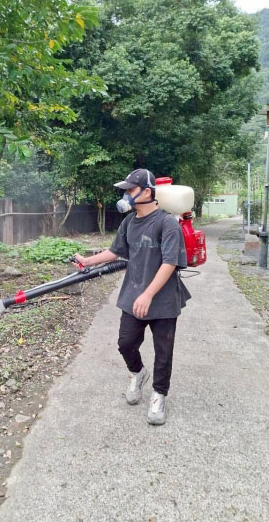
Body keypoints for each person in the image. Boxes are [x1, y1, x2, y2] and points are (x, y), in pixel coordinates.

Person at [74, 168, 191, 425]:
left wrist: (148, 295)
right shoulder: (128, 222)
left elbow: (170, 263)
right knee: (125, 343)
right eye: (125, 190)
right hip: (133, 294)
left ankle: (159, 395)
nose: (126, 195)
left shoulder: (167, 223)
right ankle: (138, 373)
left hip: (163, 299)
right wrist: (87, 261)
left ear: (147, 192)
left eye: (130, 190)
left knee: (163, 352)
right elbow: (114, 252)